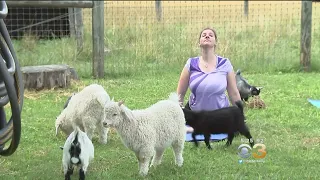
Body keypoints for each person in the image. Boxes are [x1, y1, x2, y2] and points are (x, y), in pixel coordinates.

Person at [176, 27, 242, 133]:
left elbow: (234, 93)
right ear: (199, 42)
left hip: (221, 116)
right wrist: (176, 118)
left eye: (211, 35)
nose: (207, 36)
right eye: (203, 35)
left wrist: (240, 117)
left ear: (215, 42)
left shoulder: (225, 63)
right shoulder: (191, 63)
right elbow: (180, 94)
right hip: (196, 116)